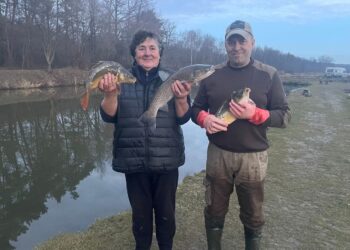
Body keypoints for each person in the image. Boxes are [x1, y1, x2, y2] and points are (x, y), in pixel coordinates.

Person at [191, 20, 291, 250]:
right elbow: (195, 109)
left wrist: (255, 114)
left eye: (242, 41)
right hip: (218, 154)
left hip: (253, 158)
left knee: (253, 214)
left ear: (252, 43)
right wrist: (204, 119)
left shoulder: (268, 74)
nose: (236, 47)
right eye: (231, 41)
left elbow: (284, 116)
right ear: (225, 45)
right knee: (214, 209)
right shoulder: (212, 74)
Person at [98, 30, 192, 250]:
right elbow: (108, 116)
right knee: (140, 219)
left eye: (152, 48)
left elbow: (184, 117)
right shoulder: (121, 78)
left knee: (166, 216)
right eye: (142, 48)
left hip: (167, 161)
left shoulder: (175, 78)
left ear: (160, 53)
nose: (147, 53)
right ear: (134, 53)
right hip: (133, 161)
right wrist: (110, 94)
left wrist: (181, 98)